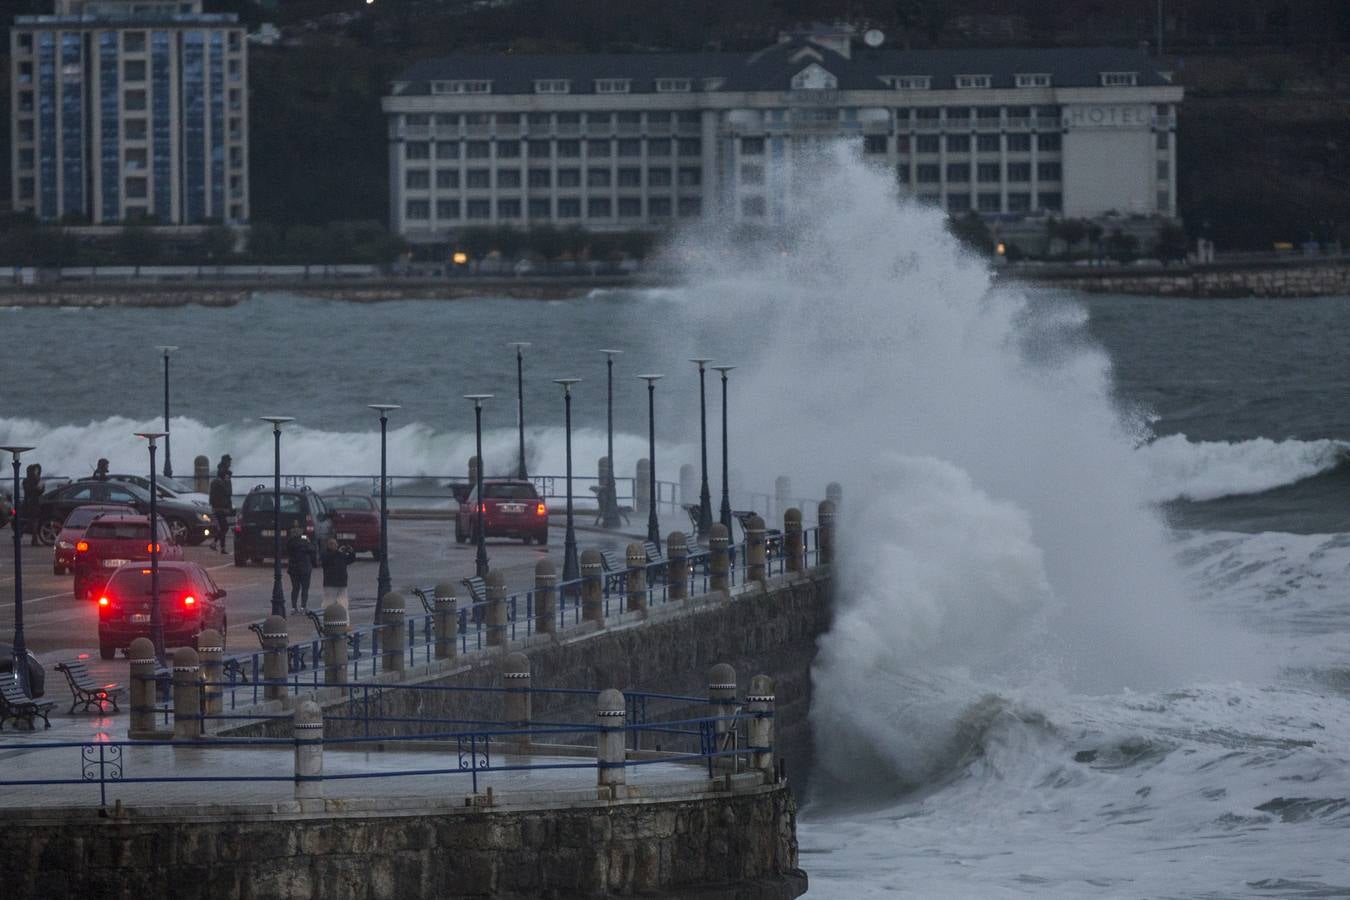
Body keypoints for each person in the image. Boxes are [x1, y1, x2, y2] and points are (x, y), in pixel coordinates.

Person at [285, 527, 318, 613]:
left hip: (293, 568)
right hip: (305, 568)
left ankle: (293, 607)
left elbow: (287, 549)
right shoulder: (304, 541)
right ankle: (303, 607)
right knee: (305, 588)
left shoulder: (290, 542)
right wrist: (308, 540)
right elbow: (312, 549)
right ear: (301, 533)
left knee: (295, 588)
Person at [320, 537, 356, 612]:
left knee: (343, 604)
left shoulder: (340, 555)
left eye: (335, 544)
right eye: (332, 544)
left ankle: (344, 620)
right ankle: (327, 617)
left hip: (342, 583)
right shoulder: (325, 554)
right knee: (329, 604)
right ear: (328, 545)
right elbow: (326, 560)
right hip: (330, 584)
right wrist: (337, 552)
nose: (335, 546)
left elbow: (350, 560)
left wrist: (351, 552)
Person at [208, 455, 234, 553]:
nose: (230, 463)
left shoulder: (218, 477)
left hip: (217, 506)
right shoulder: (224, 477)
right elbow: (228, 493)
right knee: (225, 527)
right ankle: (215, 543)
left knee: (223, 527)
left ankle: (221, 547)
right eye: (229, 461)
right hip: (221, 507)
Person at [21, 463, 44, 547]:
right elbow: (29, 491)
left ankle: (32, 538)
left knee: (34, 521)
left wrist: (41, 487)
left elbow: (40, 491)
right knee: (34, 521)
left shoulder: (37, 479)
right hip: (31, 503)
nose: (36, 472)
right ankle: (33, 539)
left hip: (36, 502)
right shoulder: (27, 480)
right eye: (35, 470)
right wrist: (37, 487)